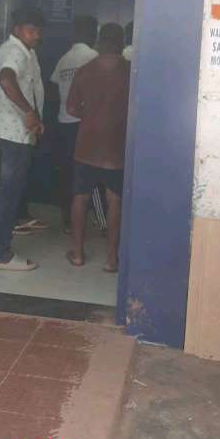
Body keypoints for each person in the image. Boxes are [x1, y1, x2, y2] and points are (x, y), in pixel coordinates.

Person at [66, 23, 130, 272]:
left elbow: (71, 108)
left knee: (80, 198)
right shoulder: (130, 71)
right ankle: (112, 259)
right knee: (115, 200)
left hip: (87, 146)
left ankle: (77, 254)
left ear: (99, 41)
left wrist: (91, 115)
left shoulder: (85, 70)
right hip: (117, 146)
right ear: (121, 43)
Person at [0, 7, 45, 270]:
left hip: (17, 132)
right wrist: (29, 112)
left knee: (8, 193)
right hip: (13, 134)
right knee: (8, 194)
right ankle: (0, 254)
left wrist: (35, 118)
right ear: (16, 29)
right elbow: (6, 80)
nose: (36, 36)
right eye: (31, 30)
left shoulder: (25, 51)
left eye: (38, 31)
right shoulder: (13, 52)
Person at [50, 15, 99, 228]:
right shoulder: (94, 57)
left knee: (67, 171)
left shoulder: (63, 59)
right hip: (86, 124)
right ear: (92, 33)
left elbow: (54, 88)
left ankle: (68, 220)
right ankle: (96, 218)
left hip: (64, 122)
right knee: (89, 172)